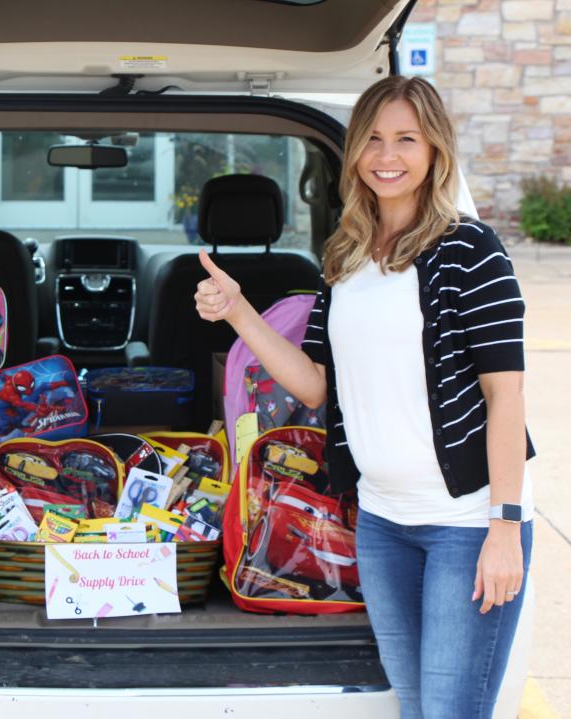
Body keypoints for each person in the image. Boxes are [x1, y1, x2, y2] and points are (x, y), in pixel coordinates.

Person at [195, 76, 533, 718]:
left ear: (435, 150)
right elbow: (320, 384)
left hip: (463, 525)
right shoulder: (346, 255)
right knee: (416, 707)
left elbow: (505, 397)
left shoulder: (471, 251)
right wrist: (239, 311)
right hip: (381, 524)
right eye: (373, 139)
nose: (387, 155)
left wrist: (505, 528)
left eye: (407, 139)